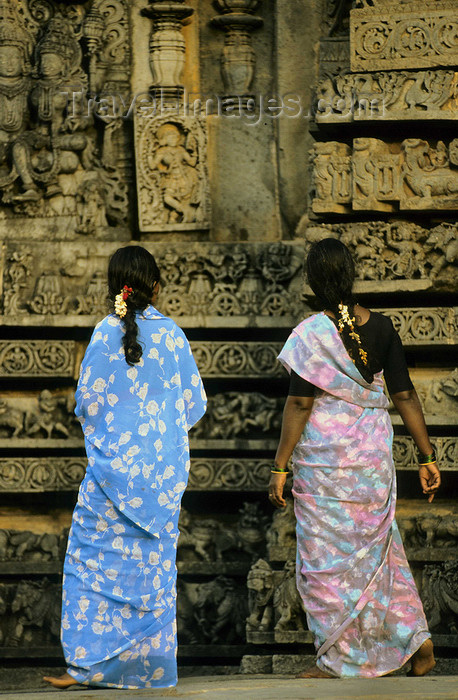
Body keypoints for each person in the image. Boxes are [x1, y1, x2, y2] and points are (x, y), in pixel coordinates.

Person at [268, 238, 440, 679]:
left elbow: (300, 405)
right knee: (381, 556)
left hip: (327, 470)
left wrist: (280, 466)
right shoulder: (381, 327)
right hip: (370, 464)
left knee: (327, 561)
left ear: (311, 281)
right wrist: (426, 456)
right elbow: (404, 394)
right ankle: (418, 645)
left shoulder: (309, 335)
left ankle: (340, 661)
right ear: (351, 275)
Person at [44, 246, 206, 690]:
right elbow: (194, 406)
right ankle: (151, 671)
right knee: (153, 575)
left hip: (110, 478)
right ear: (154, 286)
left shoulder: (102, 334)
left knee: (90, 568)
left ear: (115, 287)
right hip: (160, 480)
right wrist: (156, 436)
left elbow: (86, 405)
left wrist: (123, 440)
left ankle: (87, 668)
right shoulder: (173, 336)